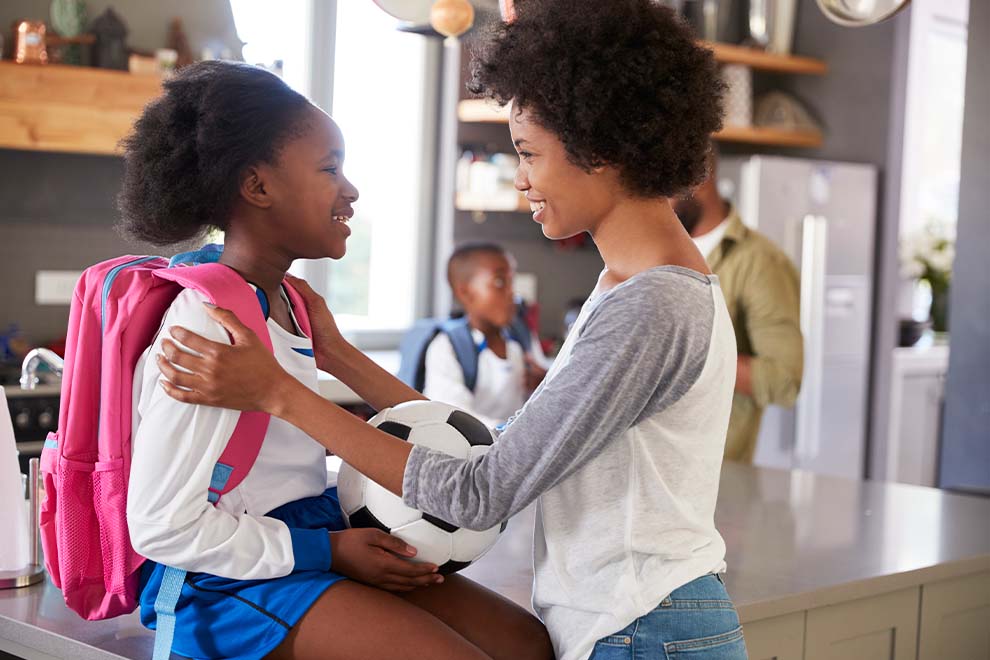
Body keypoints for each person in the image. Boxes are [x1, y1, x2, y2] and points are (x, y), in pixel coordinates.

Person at [157, 3, 749, 659]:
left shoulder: (651, 306)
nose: (521, 178)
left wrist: (283, 394)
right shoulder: (631, 287)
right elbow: (509, 449)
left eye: (528, 153)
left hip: (643, 628)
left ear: (600, 148)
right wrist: (341, 358)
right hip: (637, 619)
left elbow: (483, 489)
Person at [120, 60, 552, 660]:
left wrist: (338, 354)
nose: (350, 189)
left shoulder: (290, 305)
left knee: (524, 645)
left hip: (311, 541)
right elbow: (162, 527)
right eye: (330, 168)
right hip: (221, 582)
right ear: (257, 185)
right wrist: (329, 552)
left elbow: (445, 439)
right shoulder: (208, 322)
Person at [674, 155, 803, 463]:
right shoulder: (656, 251)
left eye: (662, 189)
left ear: (700, 177)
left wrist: (682, 355)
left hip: (719, 476)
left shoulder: (761, 262)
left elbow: (784, 381)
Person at [422, 242, 547, 428]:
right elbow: (454, 420)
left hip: (518, 449)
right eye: (499, 282)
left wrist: (544, 383)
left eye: (511, 281)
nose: (511, 292)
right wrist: (515, 432)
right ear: (465, 292)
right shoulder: (447, 348)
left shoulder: (522, 337)